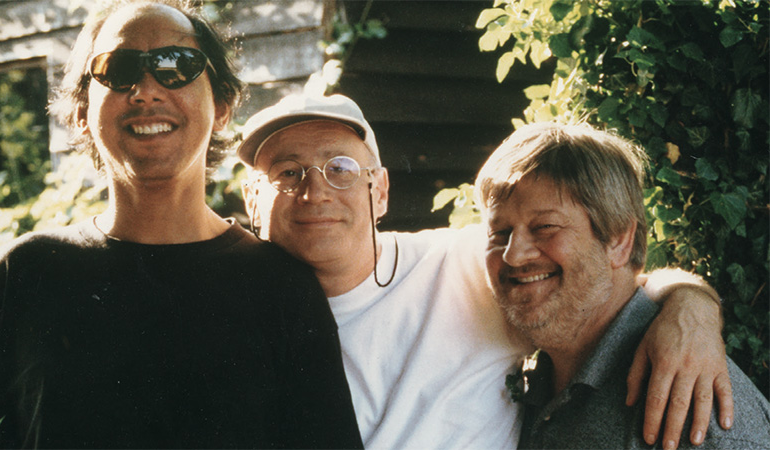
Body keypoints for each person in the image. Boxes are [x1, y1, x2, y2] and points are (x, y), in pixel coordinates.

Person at [0, 2, 362, 448]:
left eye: (177, 66)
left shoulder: (280, 288)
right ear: (81, 115)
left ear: (222, 107)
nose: (148, 90)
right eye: (118, 70)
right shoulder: (26, 273)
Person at [238, 93, 733, 449]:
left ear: (381, 191)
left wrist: (691, 305)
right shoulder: (224, 310)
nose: (315, 191)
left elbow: (602, 278)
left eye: (340, 168)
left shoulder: (474, 265)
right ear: (251, 200)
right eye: (286, 172)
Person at [476, 122, 770, 448]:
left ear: (619, 240)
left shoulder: (693, 403)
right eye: (499, 233)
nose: (514, 255)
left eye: (545, 226)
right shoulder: (534, 384)